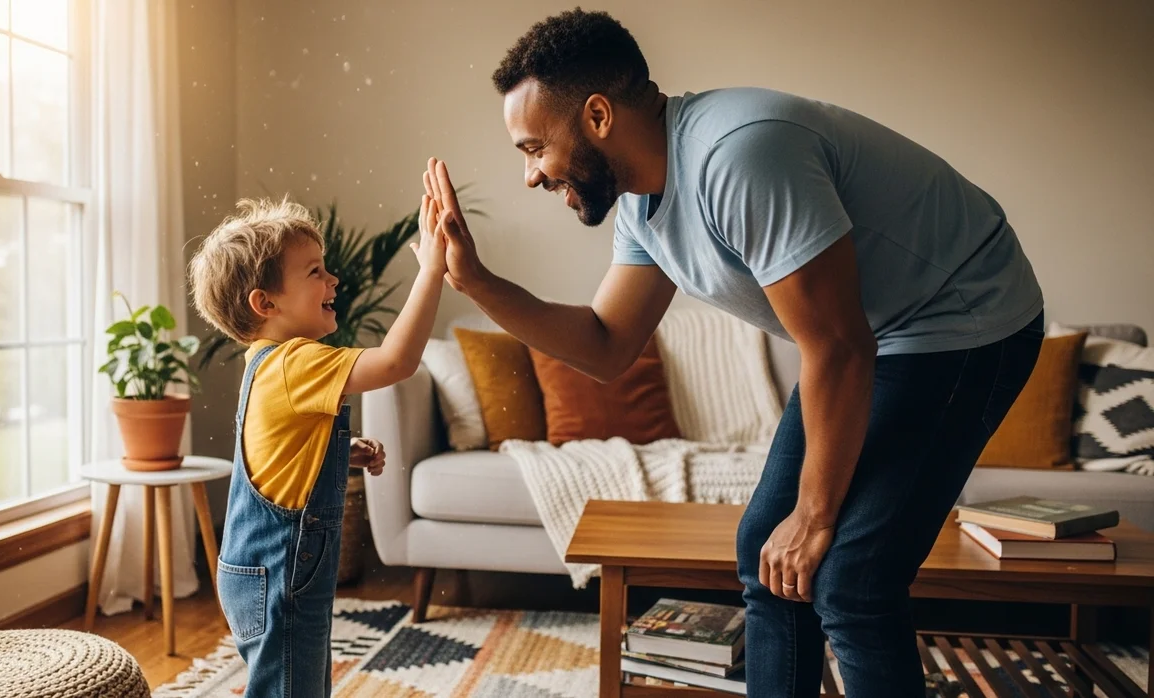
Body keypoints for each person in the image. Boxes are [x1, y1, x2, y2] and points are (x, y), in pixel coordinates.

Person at [422, 8, 1044, 697]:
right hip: (870, 340)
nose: (531, 175)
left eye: (534, 148)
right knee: (765, 555)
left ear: (597, 115)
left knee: (849, 577)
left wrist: (815, 518)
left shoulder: (738, 156)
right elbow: (606, 346)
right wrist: (476, 282)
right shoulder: (642, 201)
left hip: (964, 318)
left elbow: (838, 346)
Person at [187, 194, 451, 697]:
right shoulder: (296, 361)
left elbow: (279, 453)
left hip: (256, 572)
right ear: (266, 303)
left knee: (294, 686)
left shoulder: (263, 363)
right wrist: (432, 271)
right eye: (314, 272)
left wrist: (338, 451)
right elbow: (396, 362)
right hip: (280, 575)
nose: (333, 281)